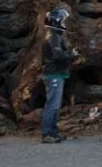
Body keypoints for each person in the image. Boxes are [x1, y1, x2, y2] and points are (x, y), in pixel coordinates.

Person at [41, 8, 78, 144]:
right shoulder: (53, 36)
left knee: (55, 105)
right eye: (62, 20)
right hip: (53, 74)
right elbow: (57, 56)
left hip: (56, 73)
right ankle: (47, 134)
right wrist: (71, 55)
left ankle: (53, 132)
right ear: (56, 21)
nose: (64, 23)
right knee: (52, 105)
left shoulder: (55, 35)